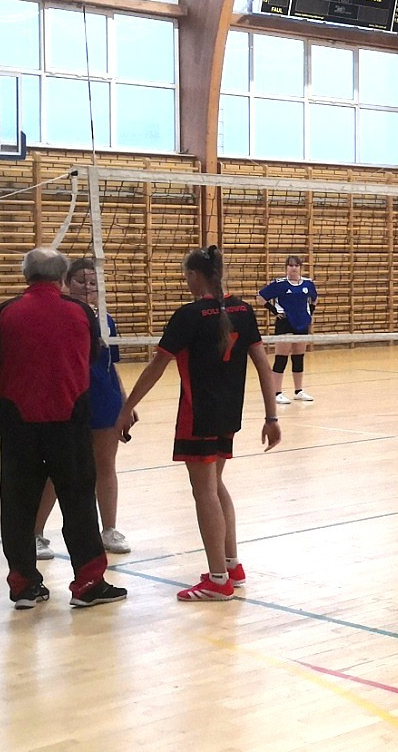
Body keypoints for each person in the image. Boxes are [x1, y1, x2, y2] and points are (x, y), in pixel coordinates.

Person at [117, 246, 280, 602]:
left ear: (194, 276)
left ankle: (218, 580)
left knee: (204, 491)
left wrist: (126, 408)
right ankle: (232, 566)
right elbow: (263, 365)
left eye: (186, 275)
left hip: (198, 414)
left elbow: (156, 367)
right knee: (216, 485)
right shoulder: (243, 310)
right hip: (228, 414)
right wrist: (271, 417)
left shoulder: (189, 315)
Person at [0, 248, 126, 610]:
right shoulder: (81, 313)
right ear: (61, 277)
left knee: (17, 505)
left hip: (18, 425)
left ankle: (23, 586)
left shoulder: (5, 313)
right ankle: (88, 585)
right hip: (69, 423)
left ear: (26, 275)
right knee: (79, 504)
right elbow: (92, 358)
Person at [34, 258, 132, 558]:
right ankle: (34, 534)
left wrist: (125, 403)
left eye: (93, 282)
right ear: (66, 283)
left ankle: (109, 530)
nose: (88, 287)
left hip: (105, 401)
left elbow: (110, 365)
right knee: (57, 469)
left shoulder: (106, 319)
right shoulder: (59, 316)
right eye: (81, 281)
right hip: (69, 400)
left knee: (105, 465)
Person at [259, 255, 318, 405]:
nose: (293, 268)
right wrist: (275, 311)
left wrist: (309, 312)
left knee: (298, 357)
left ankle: (298, 391)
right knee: (281, 358)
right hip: (285, 323)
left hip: (302, 323)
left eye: (296, 265)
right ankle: (276, 392)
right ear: (286, 267)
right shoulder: (280, 284)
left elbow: (314, 299)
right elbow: (260, 297)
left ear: (300, 267)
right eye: (290, 265)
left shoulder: (308, 283)